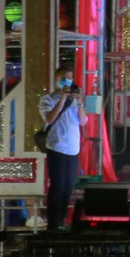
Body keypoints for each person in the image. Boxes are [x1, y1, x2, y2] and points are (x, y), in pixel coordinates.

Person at [38, 62, 85, 230]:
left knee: (68, 186)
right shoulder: (47, 99)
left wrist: (80, 102)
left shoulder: (74, 100)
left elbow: (83, 121)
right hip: (57, 146)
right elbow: (49, 118)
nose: (67, 81)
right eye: (64, 78)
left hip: (73, 148)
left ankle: (62, 219)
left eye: (70, 78)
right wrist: (62, 98)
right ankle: (53, 222)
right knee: (57, 186)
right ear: (56, 79)